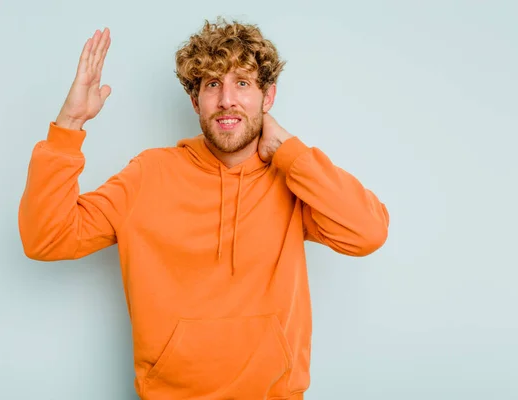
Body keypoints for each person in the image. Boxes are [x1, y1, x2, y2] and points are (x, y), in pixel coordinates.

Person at [19, 17, 390, 400]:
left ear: (268, 97)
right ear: (195, 101)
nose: (227, 98)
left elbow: (368, 232)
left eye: (242, 83)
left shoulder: (293, 178)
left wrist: (291, 152)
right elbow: (46, 239)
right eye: (213, 84)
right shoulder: (149, 174)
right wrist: (71, 122)